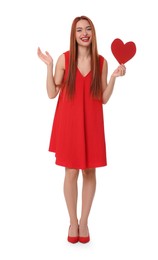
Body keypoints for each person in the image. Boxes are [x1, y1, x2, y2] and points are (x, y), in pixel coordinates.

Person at [37, 15, 126, 244]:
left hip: (92, 122)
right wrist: (48, 66)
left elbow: (103, 98)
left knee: (89, 172)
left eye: (88, 29)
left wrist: (114, 78)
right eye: (79, 30)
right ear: (73, 35)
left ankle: (84, 223)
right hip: (68, 122)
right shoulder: (64, 59)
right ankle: (72, 222)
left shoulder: (102, 62)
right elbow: (51, 93)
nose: (84, 33)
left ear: (93, 33)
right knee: (70, 172)